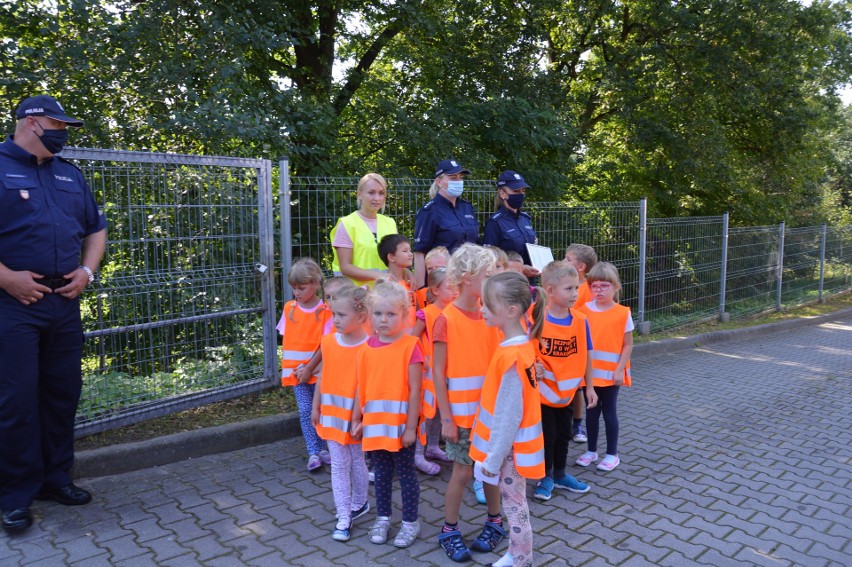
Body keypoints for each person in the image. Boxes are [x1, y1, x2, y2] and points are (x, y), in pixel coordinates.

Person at [0, 95, 107, 535]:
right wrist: (6, 278)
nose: (64, 131)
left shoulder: (69, 174)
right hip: (13, 306)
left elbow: (96, 228)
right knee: (17, 400)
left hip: (63, 303)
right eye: (57, 123)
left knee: (63, 393)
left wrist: (86, 271)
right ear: (30, 122)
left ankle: (56, 479)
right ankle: (15, 495)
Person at [433, 244, 505, 563]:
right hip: (461, 417)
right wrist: (446, 418)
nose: (492, 282)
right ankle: (449, 530)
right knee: (462, 474)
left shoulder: (494, 315)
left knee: (490, 472)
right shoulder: (446, 320)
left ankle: (495, 522)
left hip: (491, 415)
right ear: (467, 277)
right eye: (488, 276)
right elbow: (437, 372)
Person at [469, 271, 546, 567]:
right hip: (509, 449)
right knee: (515, 505)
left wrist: (491, 460)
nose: (482, 310)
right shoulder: (520, 346)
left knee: (514, 507)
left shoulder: (512, 355)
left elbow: (508, 417)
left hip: (508, 451)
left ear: (511, 311)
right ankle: (517, 554)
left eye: (488, 305)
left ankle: (521, 558)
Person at [351, 281, 423, 548]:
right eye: (378, 313)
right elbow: (362, 385)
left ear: (404, 315)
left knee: (405, 474)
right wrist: (358, 418)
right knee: (380, 473)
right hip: (375, 425)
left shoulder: (410, 346)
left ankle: (410, 522)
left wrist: (410, 428)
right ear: (370, 315)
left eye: (391, 314)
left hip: (400, 426)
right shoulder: (366, 348)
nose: (383, 319)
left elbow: (415, 391)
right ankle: (383, 517)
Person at [532, 261, 598, 502]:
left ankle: (560, 474)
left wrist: (589, 386)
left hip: (568, 393)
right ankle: (545, 476)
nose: (574, 294)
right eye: (568, 289)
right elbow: (525, 350)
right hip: (543, 394)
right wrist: (535, 365)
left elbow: (587, 353)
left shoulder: (581, 320)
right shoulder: (535, 318)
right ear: (549, 290)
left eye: (576, 288)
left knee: (564, 434)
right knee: (547, 436)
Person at [312, 286, 371, 541]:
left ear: (360, 316)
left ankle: (361, 502)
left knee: (357, 461)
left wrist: (362, 417)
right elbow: (323, 376)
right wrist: (316, 406)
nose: (335, 320)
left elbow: (368, 384)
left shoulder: (369, 346)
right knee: (339, 464)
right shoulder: (328, 342)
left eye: (341, 315)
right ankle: (343, 517)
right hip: (332, 416)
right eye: (333, 314)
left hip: (356, 418)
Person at [576, 262, 634, 472]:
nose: (598, 290)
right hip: (589, 376)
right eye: (595, 286)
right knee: (591, 413)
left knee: (609, 412)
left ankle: (612, 453)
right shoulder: (582, 312)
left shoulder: (622, 313)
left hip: (611, 375)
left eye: (604, 286)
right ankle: (591, 451)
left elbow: (628, 345)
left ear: (615, 287)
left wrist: (619, 370)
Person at [278, 258, 333, 472]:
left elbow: (325, 344)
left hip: (318, 372)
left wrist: (311, 367)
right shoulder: (289, 308)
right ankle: (313, 451)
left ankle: (324, 447)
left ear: (316, 284)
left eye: (301, 288)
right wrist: (299, 368)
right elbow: (289, 339)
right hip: (296, 374)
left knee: (321, 408)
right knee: (304, 410)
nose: (296, 293)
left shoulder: (325, 311)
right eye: (294, 288)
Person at [410, 267, 457, 475]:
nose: (455, 290)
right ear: (435, 291)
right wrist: (424, 359)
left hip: (451, 369)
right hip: (429, 372)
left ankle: (433, 446)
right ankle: (418, 454)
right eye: (450, 286)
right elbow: (412, 340)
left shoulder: (456, 312)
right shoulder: (426, 314)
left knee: (439, 410)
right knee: (426, 412)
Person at [413, 159, 479, 288]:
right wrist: (421, 290)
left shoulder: (467, 208)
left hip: (468, 281)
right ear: (439, 182)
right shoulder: (429, 211)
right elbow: (420, 253)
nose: (458, 181)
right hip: (443, 283)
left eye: (461, 177)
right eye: (453, 178)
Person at [331, 173, 398, 287]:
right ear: (360, 194)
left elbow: (395, 259)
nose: (377, 198)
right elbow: (345, 267)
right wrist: (378, 276)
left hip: (384, 295)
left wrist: (407, 273)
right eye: (371, 192)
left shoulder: (390, 223)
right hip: (355, 295)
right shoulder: (347, 224)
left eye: (381, 193)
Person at [564, 243, 598, 443]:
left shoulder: (589, 289)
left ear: (581, 267)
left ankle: (577, 424)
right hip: (563, 339)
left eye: (568, 259)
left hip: (579, 343)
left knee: (578, 386)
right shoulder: (562, 284)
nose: (564, 261)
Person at [483, 171, 540, 280]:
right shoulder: (495, 223)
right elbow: (490, 260)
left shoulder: (525, 219)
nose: (521, 194)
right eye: (516, 191)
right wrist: (521, 268)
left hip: (529, 281)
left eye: (523, 191)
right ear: (502, 193)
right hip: (508, 282)